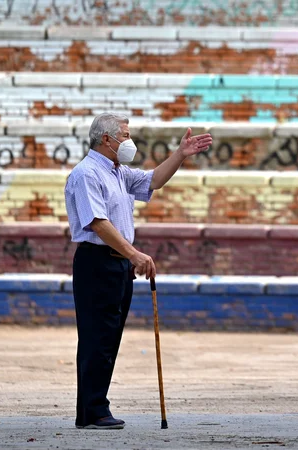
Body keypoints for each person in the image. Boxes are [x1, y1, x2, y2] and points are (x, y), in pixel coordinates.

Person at [65, 113, 212, 429]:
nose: (129, 141)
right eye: (125, 135)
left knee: (110, 337)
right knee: (97, 338)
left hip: (118, 264)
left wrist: (180, 154)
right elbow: (97, 223)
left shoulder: (118, 172)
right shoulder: (87, 174)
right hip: (97, 261)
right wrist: (135, 255)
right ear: (107, 139)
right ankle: (92, 411)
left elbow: (153, 180)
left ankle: (95, 407)